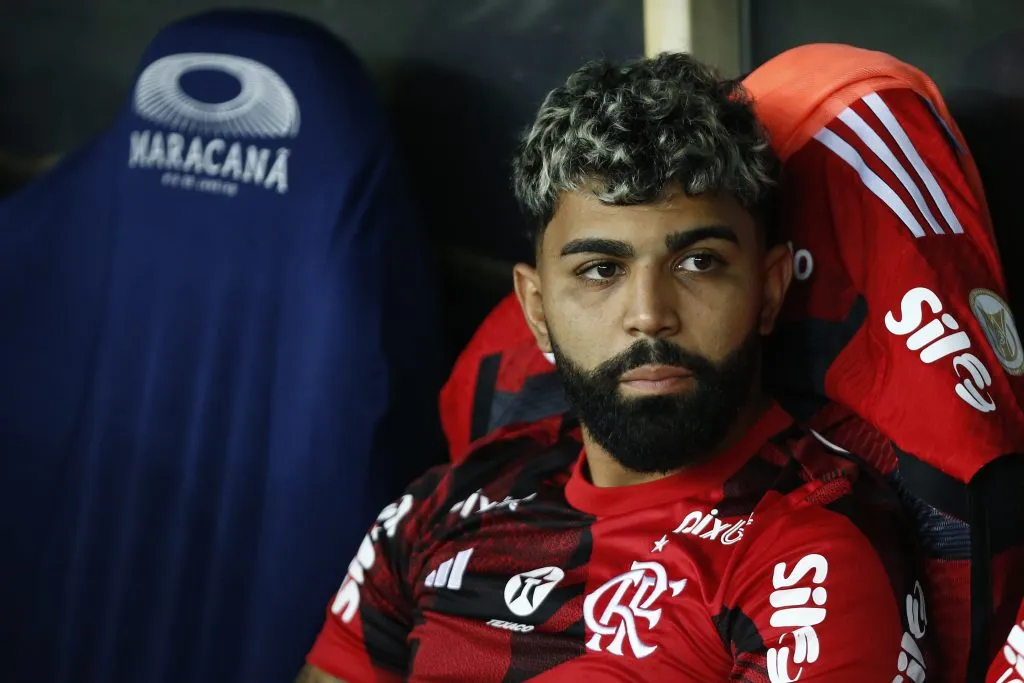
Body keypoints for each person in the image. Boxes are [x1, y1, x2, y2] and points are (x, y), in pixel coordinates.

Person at [295, 52, 931, 682]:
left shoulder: (810, 550)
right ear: (536, 308)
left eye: (699, 262)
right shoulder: (447, 501)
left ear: (769, 290)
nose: (650, 316)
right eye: (601, 269)